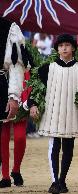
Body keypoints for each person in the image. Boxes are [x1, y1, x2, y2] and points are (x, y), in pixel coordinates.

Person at [29, 34, 78, 194]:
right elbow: (36, 87)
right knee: (54, 146)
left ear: (74, 48)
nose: (64, 48)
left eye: (67, 45)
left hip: (72, 114)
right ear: (57, 49)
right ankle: (55, 181)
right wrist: (32, 104)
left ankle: (62, 180)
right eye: (61, 46)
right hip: (53, 113)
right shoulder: (47, 67)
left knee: (68, 147)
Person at [0, 17, 29, 183]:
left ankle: (7, 174)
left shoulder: (9, 28)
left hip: (3, 84)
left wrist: (14, 96)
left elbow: (17, 65)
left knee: (7, 132)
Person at [0, 71, 31, 188]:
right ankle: (5, 176)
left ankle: (16, 170)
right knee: (3, 140)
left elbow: (28, 78)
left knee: (20, 138)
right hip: (2, 99)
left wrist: (26, 101)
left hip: (21, 103)